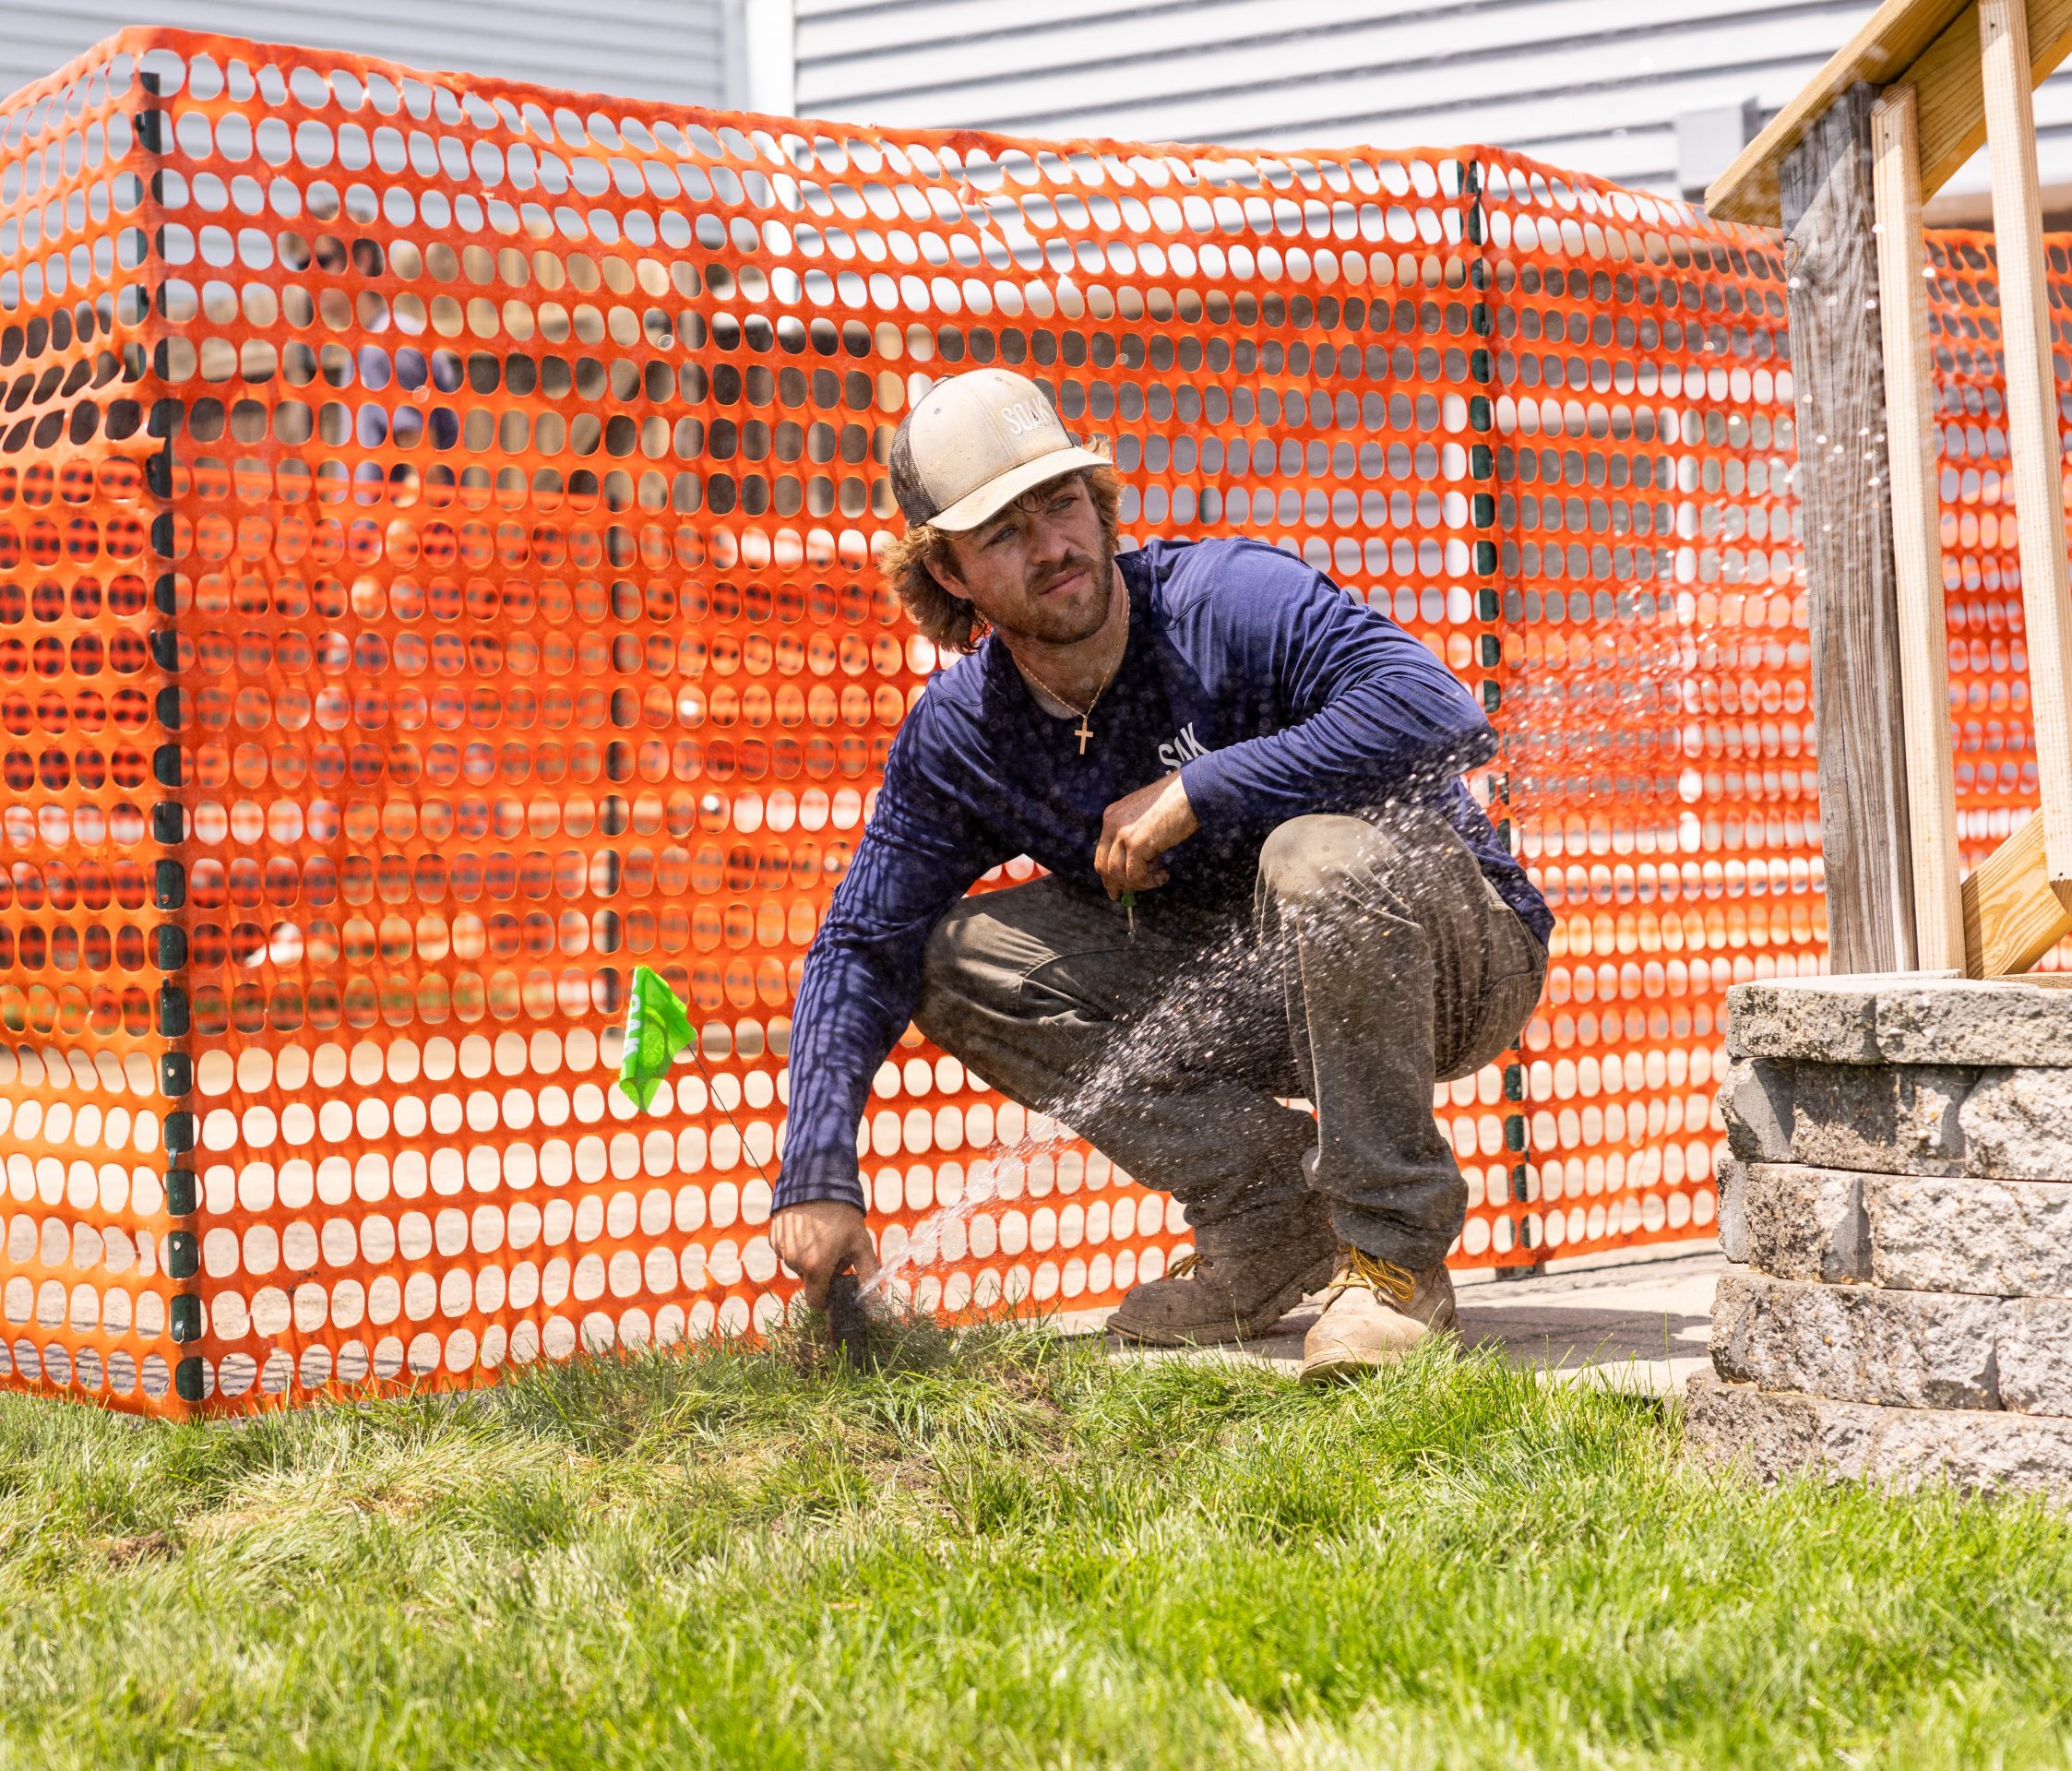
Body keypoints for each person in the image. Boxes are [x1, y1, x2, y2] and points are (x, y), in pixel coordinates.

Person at [768, 368, 1550, 1382]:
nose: (1052, 546)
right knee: (954, 956)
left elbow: (1440, 714)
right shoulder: (963, 734)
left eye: (1062, 504)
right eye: (1004, 532)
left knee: (1311, 854)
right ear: (948, 575)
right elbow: (858, 944)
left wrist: (1202, 790)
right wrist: (816, 1170)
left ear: (1097, 503)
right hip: (1260, 987)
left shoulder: (1230, 600)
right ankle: (1268, 1220)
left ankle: (1392, 1259)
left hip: (1451, 954)